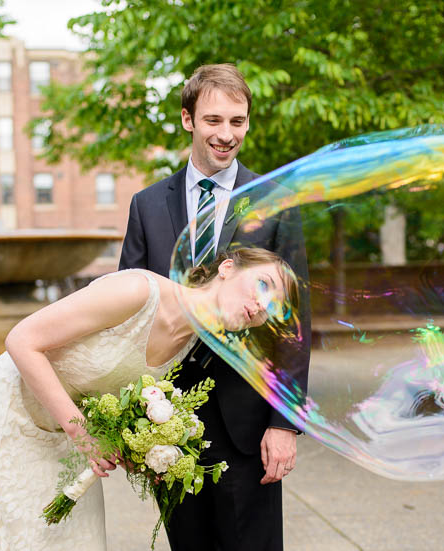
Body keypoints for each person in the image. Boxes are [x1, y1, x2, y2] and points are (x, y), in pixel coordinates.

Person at [0, 248, 297, 551]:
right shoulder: (137, 291)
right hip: (8, 416)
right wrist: (82, 433)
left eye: (271, 307)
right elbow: (21, 339)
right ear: (227, 268)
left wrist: (140, 450)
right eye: (263, 285)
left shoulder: (189, 343)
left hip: (64, 435)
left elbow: (109, 393)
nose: (260, 305)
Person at [119, 63, 311, 551]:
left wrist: (283, 423)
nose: (226, 135)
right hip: (167, 422)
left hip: (247, 422)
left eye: (237, 121)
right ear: (188, 119)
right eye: (213, 120)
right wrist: (128, 417)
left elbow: (295, 324)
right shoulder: (146, 205)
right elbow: (128, 313)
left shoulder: (276, 202)